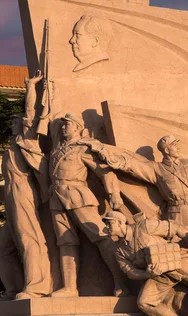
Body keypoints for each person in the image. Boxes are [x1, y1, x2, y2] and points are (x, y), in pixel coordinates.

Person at [47, 111, 130, 297]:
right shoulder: (59, 149)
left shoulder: (83, 148)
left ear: (77, 127)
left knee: (102, 236)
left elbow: (105, 172)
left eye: (66, 124)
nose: (63, 127)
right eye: (62, 124)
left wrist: (114, 193)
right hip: (57, 197)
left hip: (78, 195)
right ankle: (69, 288)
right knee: (66, 242)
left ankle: (121, 282)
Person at [0, 71, 52, 300]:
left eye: (16, 122)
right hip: (11, 199)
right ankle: (14, 288)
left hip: (25, 195)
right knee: (1, 251)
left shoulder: (26, 142)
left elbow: (31, 113)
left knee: (29, 239)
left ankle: (36, 286)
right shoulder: (10, 148)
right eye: (13, 123)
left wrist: (30, 88)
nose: (14, 125)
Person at [103, 211, 188, 316]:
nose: (107, 227)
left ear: (120, 223)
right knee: (144, 302)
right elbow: (130, 271)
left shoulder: (144, 226)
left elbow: (174, 228)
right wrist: (147, 274)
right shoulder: (118, 250)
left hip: (178, 261)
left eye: (110, 223)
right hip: (159, 276)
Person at [94, 136, 188, 227]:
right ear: (167, 150)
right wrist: (112, 158)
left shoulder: (186, 164)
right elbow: (134, 166)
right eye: (174, 145)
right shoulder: (157, 168)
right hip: (177, 212)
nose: (178, 148)